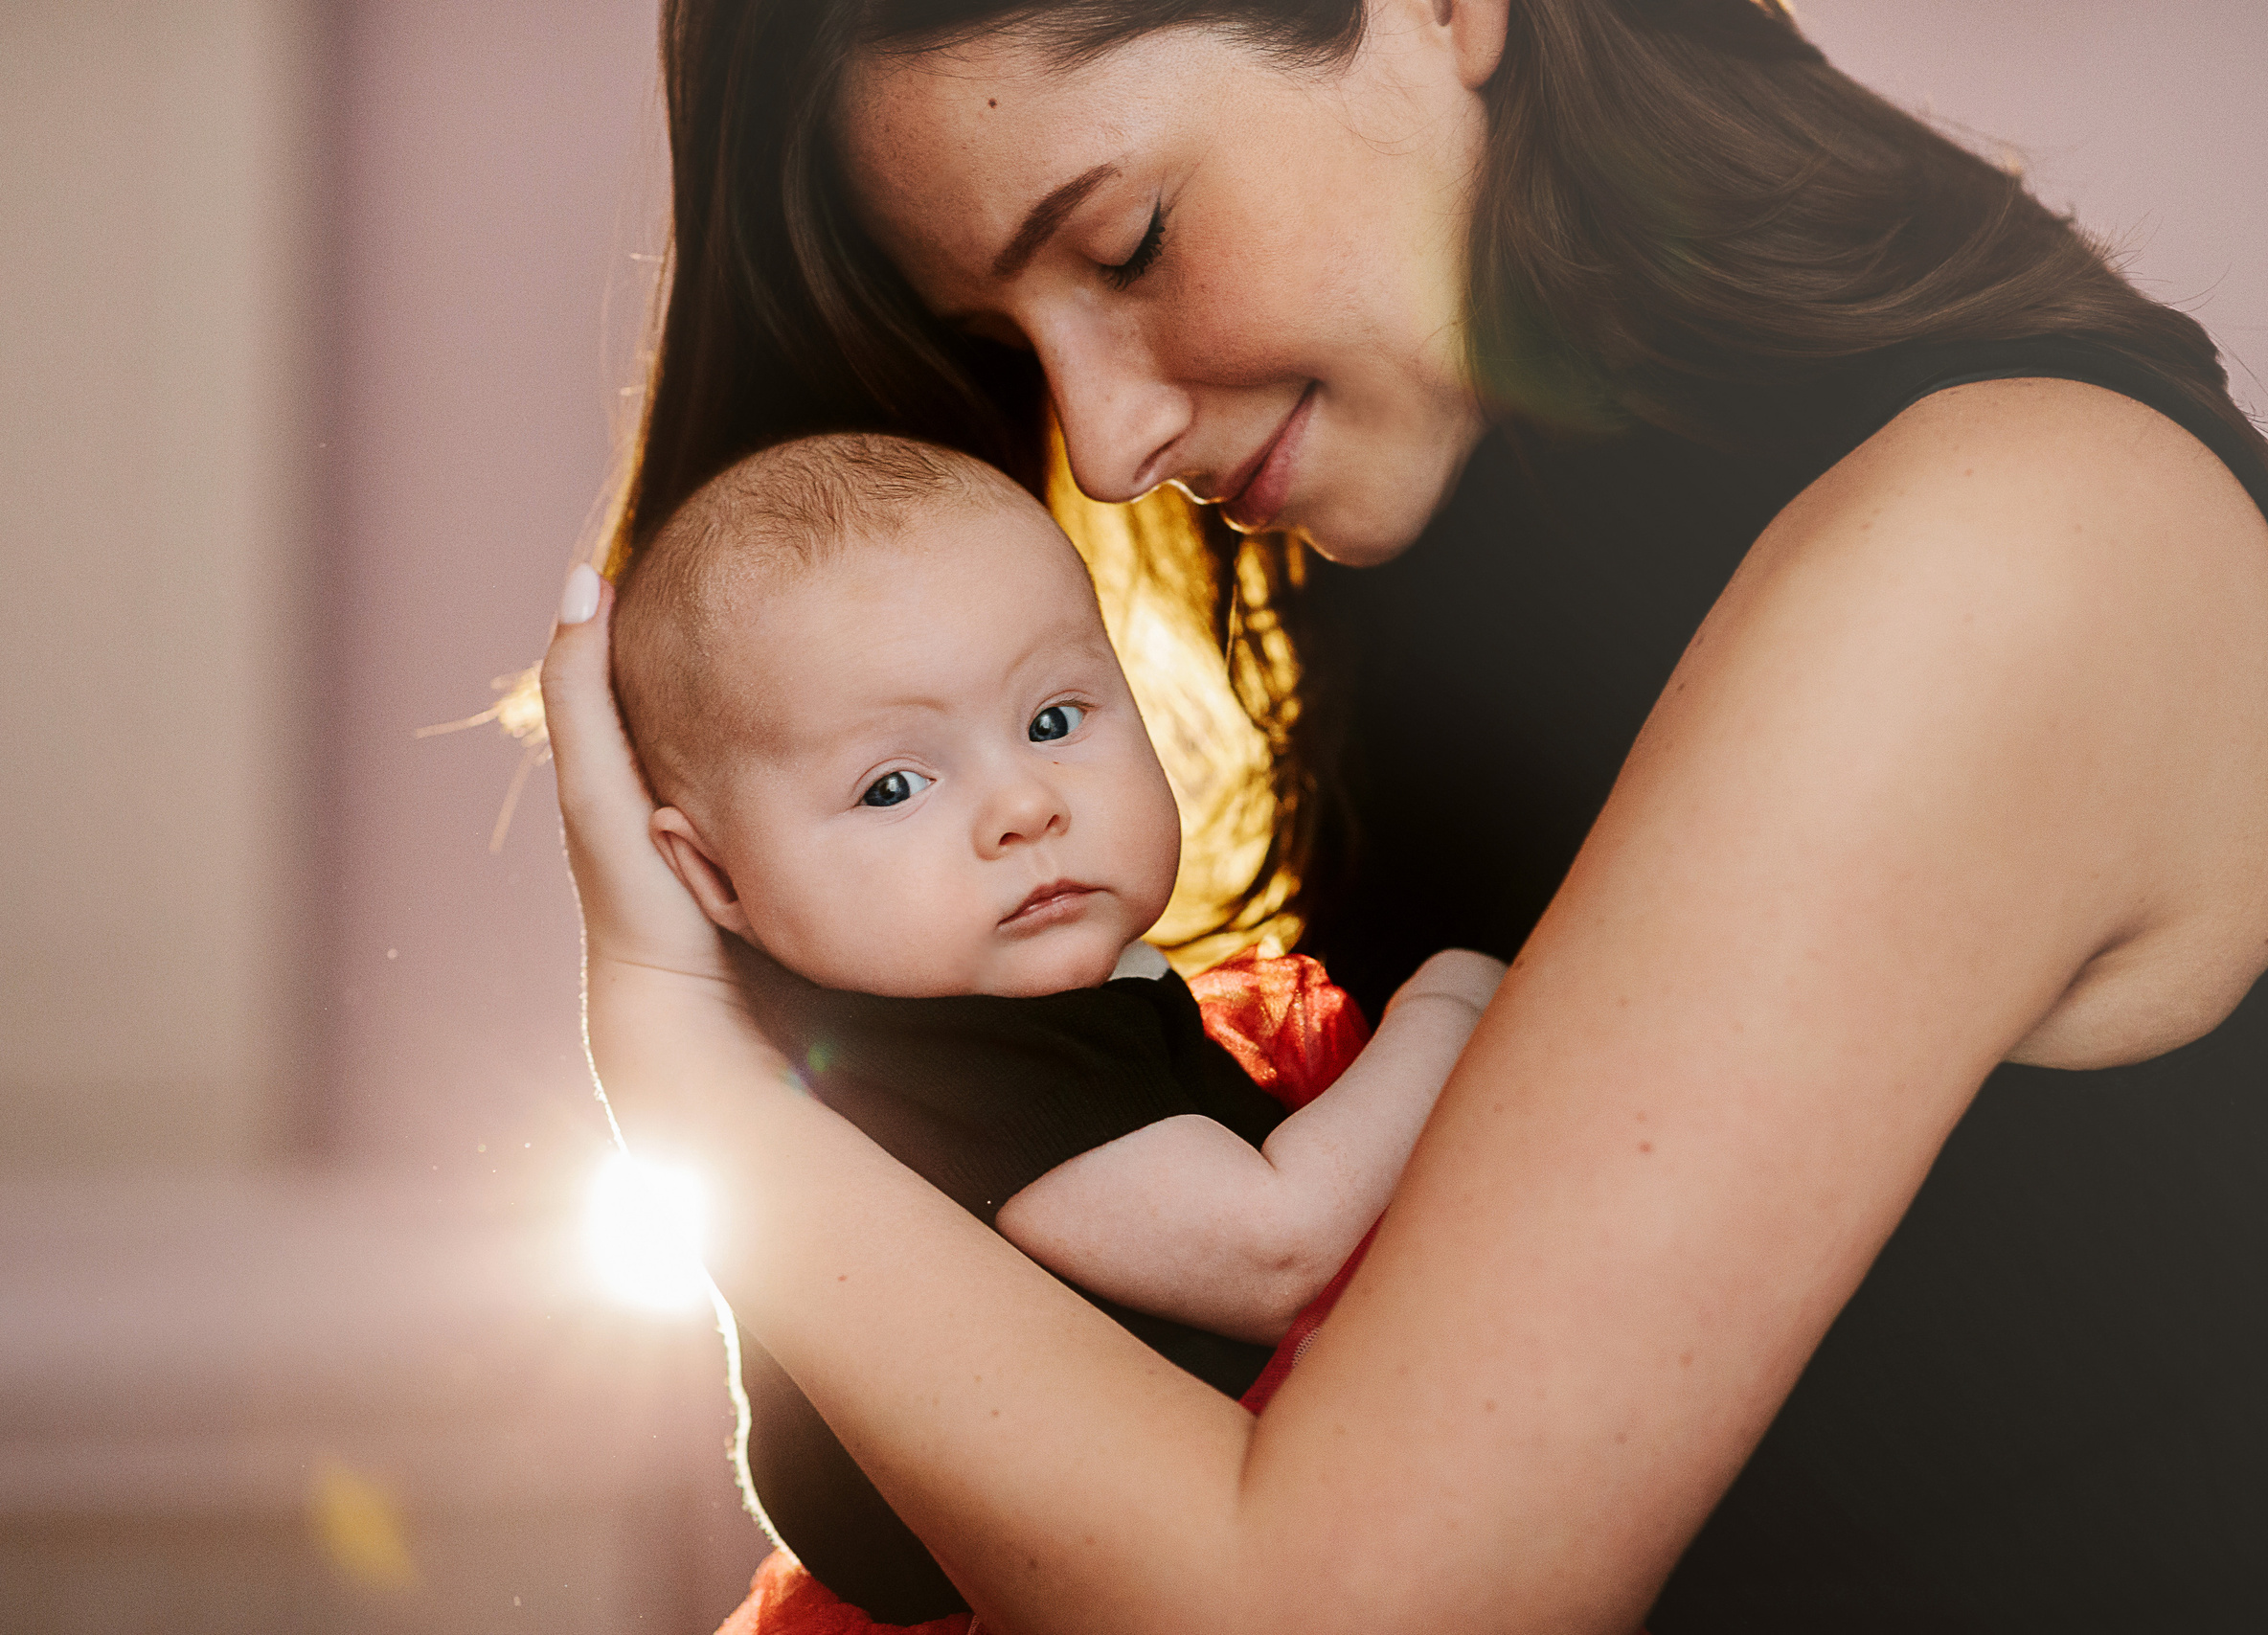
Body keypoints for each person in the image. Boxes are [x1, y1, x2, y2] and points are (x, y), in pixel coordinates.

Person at [541, 0, 2268, 1628]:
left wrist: (692, 1077)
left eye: (1129, 241)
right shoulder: (1443, 591)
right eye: (1004, 342)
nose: (1110, 441)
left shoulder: (2009, 540)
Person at [611, 430, 1495, 1622]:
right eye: (892, 786)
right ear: (713, 877)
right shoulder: (926, 1071)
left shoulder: (1006, 1003)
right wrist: (1452, 1004)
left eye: (1053, 718)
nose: (1024, 807)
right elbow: (1274, 1249)